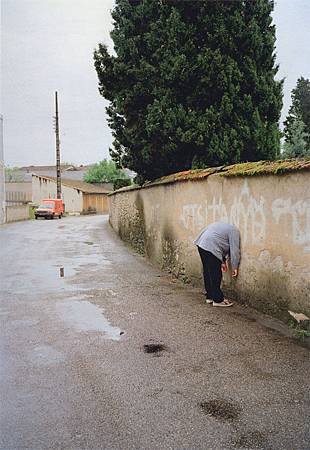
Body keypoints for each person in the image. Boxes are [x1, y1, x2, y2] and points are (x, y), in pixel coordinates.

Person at [194, 221, 240, 307]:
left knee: (208, 271)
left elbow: (218, 241)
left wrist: (222, 261)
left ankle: (210, 296)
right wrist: (235, 266)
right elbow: (235, 250)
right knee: (216, 274)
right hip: (211, 246)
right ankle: (217, 300)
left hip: (201, 244)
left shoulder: (222, 226)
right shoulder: (234, 231)